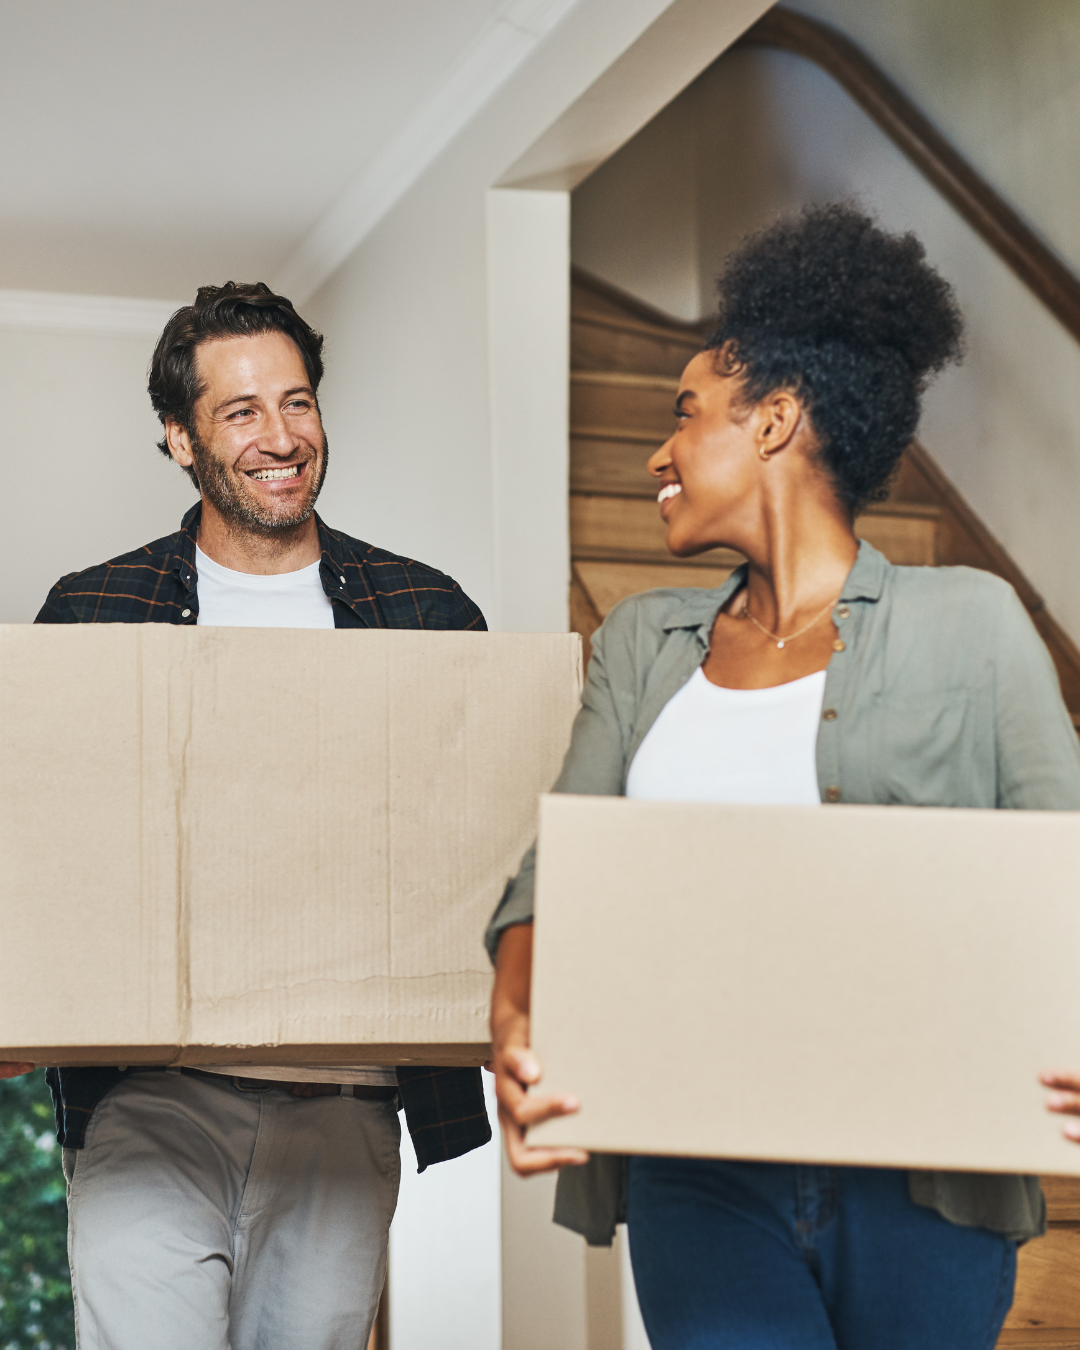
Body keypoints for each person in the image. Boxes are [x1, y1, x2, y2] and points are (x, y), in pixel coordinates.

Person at [486, 205, 1080, 1349]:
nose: (658, 453)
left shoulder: (975, 623)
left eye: (686, 414)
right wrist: (515, 1012)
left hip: (929, 1180)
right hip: (694, 1170)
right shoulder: (642, 642)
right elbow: (557, 866)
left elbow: (1062, 864)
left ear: (777, 421)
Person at [0, 281, 491, 1350]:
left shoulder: (429, 613)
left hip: (347, 1099)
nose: (282, 437)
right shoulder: (92, 611)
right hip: (150, 1098)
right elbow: (33, 838)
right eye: (241, 412)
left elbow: (479, 850)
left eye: (299, 403)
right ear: (179, 438)